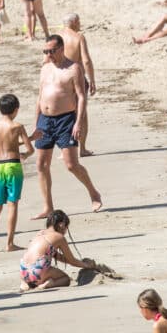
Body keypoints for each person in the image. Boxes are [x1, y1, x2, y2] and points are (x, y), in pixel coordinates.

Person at [34, 34, 104, 218]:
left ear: (61, 48)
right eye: (45, 51)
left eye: (51, 51)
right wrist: (36, 124)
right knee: (41, 164)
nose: (48, 54)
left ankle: (93, 192)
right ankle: (47, 206)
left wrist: (78, 122)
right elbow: (40, 96)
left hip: (65, 119)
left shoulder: (73, 68)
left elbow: (81, 96)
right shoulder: (45, 68)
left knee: (71, 165)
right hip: (45, 121)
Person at [0, 94, 34, 253]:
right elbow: (30, 149)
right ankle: (9, 243)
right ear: (16, 110)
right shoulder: (18, 126)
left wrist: (28, 139)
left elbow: (7, 142)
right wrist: (25, 154)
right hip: (13, 166)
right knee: (12, 204)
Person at [19, 210, 97, 290]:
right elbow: (72, 261)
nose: (66, 231)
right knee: (65, 279)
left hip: (23, 272)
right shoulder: (59, 237)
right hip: (37, 272)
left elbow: (57, 256)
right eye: (66, 227)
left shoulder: (40, 233)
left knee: (40, 269)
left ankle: (25, 284)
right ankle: (49, 284)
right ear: (62, 225)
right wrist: (87, 265)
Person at [61, 14, 98, 155]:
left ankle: (64, 149)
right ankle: (81, 148)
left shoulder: (56, 37)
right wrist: (92, 80)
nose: (80, 24)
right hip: (77, 78)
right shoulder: (78, 37)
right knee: (81, 114)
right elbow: (86, 61)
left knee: (63, 113)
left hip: (60, 78)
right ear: (75, 22)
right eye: (79, 21)